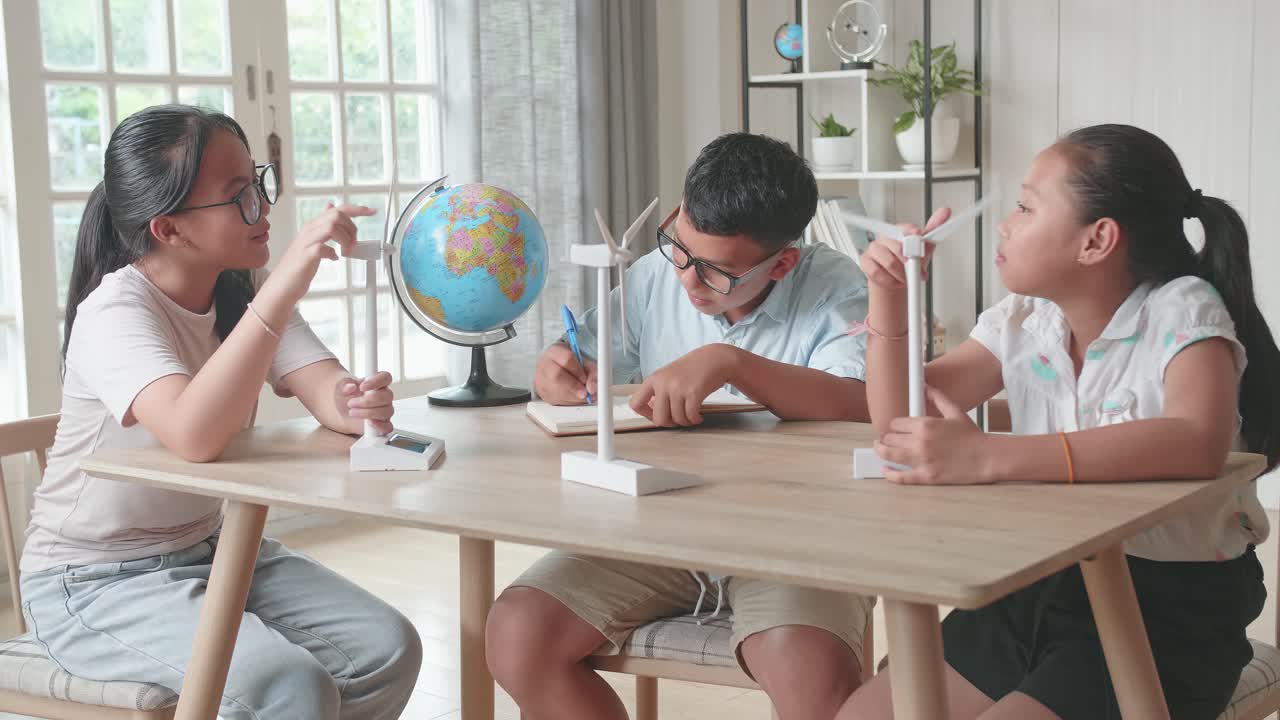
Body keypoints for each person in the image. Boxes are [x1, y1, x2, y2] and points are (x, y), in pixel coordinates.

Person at [838, 123, 1279, 720]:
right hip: (1041, 583)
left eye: (1024, 206)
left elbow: (1195, 441)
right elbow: (899, 423)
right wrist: (890, 296)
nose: (1004, 222)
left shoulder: (1183, 309)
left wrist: (988, 457)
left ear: (1096, 240)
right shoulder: (1023, 319)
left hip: (1173, 610)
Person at [20, 105, 423, 720]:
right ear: (169, 229)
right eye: (237, 198)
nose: (261, 209)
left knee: (386, 649)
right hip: (92, 584)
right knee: (288, 685)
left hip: (215, 550)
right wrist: (289, 278)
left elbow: (323, 390)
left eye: (257, 184)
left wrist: (354, 400)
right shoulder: (115, 314)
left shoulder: (240, 286)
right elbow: (194, 435)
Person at [486, 132, 875, 720]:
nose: (689, 282)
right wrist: (555, 373)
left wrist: (731, 363)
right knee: (518, 632)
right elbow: (579, 359)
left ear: (784, 261)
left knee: (806, 672)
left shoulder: (838, 289)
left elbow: (862, 402)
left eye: (718, 273)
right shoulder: (653, 276)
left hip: (800, 536)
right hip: (660, 531)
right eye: (681, 249)